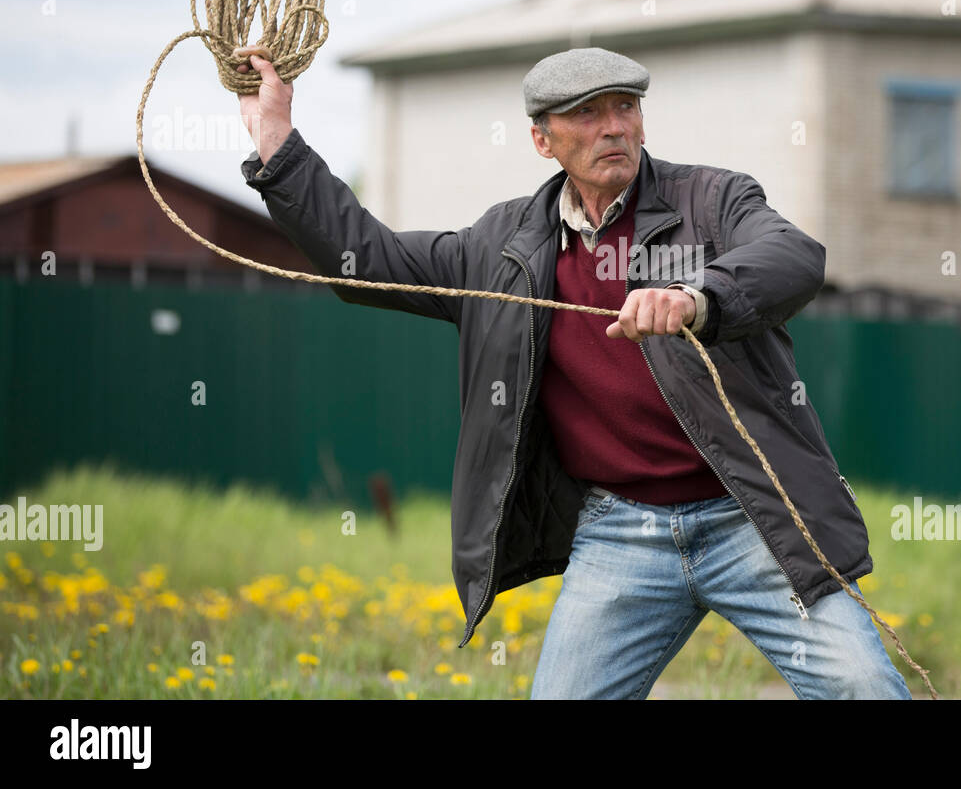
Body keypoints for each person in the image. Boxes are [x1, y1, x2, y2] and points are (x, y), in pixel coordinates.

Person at [235, 45, 911, 700]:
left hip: (751, 521)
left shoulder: (714, 201)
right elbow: (365, 259)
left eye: (625, 106)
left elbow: (794, 256)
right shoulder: (499, 249)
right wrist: (276, 136)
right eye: (587, 113)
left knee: (862, 686)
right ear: (543, 140)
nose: (613, 125)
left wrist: (698, 297)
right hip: (620, 533)